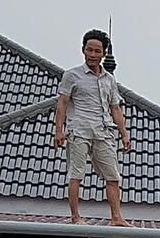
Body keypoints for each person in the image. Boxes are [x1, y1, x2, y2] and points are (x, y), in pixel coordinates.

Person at [52, 30, 131, 225]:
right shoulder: (72, 75)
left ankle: (116, 217)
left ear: (103, 53)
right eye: (89, 50)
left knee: (113, 176)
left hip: (103, 130)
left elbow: (115, 108)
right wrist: (59, 131)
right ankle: (75, 216)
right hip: (79, 129)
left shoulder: (109, 80)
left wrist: (124, 134)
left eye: (97, 51)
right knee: (76, 173)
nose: (92, 55)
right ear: (83, 50)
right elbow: (62, 104)